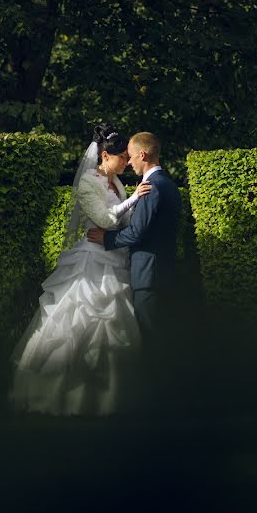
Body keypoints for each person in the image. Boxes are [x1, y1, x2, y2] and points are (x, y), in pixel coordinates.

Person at [8, 124, 152, 416]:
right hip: (91, 260)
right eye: (122, 157)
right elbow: (104, 219)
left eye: (127, 157)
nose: (126, 161)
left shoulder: (117, 183)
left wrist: (134, 205)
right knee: (76, 322)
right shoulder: (90, 181)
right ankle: (58, 397)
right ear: (105, 156)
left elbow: (121, 222)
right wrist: (135, 198)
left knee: (114, 324)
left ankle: (110, 399)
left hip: (114, 256)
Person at [87, 132, 181, 410]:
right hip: (159, 270)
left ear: (142, 155)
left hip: (149, 274)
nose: (128, 163)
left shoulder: (154, 186)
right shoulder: (167, 184)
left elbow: (138, 232)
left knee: (152, 339)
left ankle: (160, 403)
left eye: (130, 155)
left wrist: (107, 239)